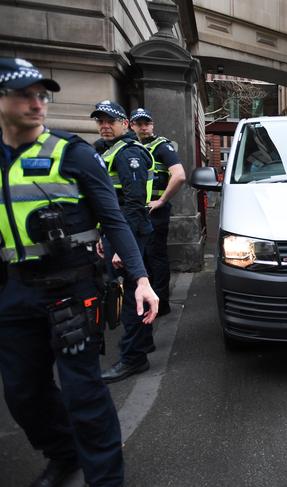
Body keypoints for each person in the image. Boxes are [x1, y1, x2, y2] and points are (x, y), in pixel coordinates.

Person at [0, 58, 158, 487]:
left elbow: (117, 216)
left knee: (83, 393)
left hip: (71, 289)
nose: (36, 103)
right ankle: (63, 454)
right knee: (23, 393)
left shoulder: (75, 154)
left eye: (41, 95)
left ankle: (105, 478)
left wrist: (141, 279)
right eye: (24, 95)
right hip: (15, 292)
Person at [91, 100, 156, 383]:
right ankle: (142, 346)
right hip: (121, 233)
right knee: (134, 294)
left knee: (133, 298)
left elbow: (132, 203)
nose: (104, 126)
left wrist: (119, 247)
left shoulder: (129, 153)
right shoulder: (112, 150)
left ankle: (134, 358)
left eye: (110, 121)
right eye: (100, 121)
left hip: (130, 234)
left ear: (124, 124)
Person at [130, 108, 186, 317]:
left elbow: (179, 175)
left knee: (155, 257)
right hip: (138, 212)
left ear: (152, 125)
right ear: (132, 125)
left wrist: (161, 200)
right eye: (139, 123)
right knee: (143, 258)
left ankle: (161, 304)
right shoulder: (132, 147)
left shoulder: (161, 147)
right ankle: (148, 300)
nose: (144, 127)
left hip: (155, 213)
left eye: (147, 123)